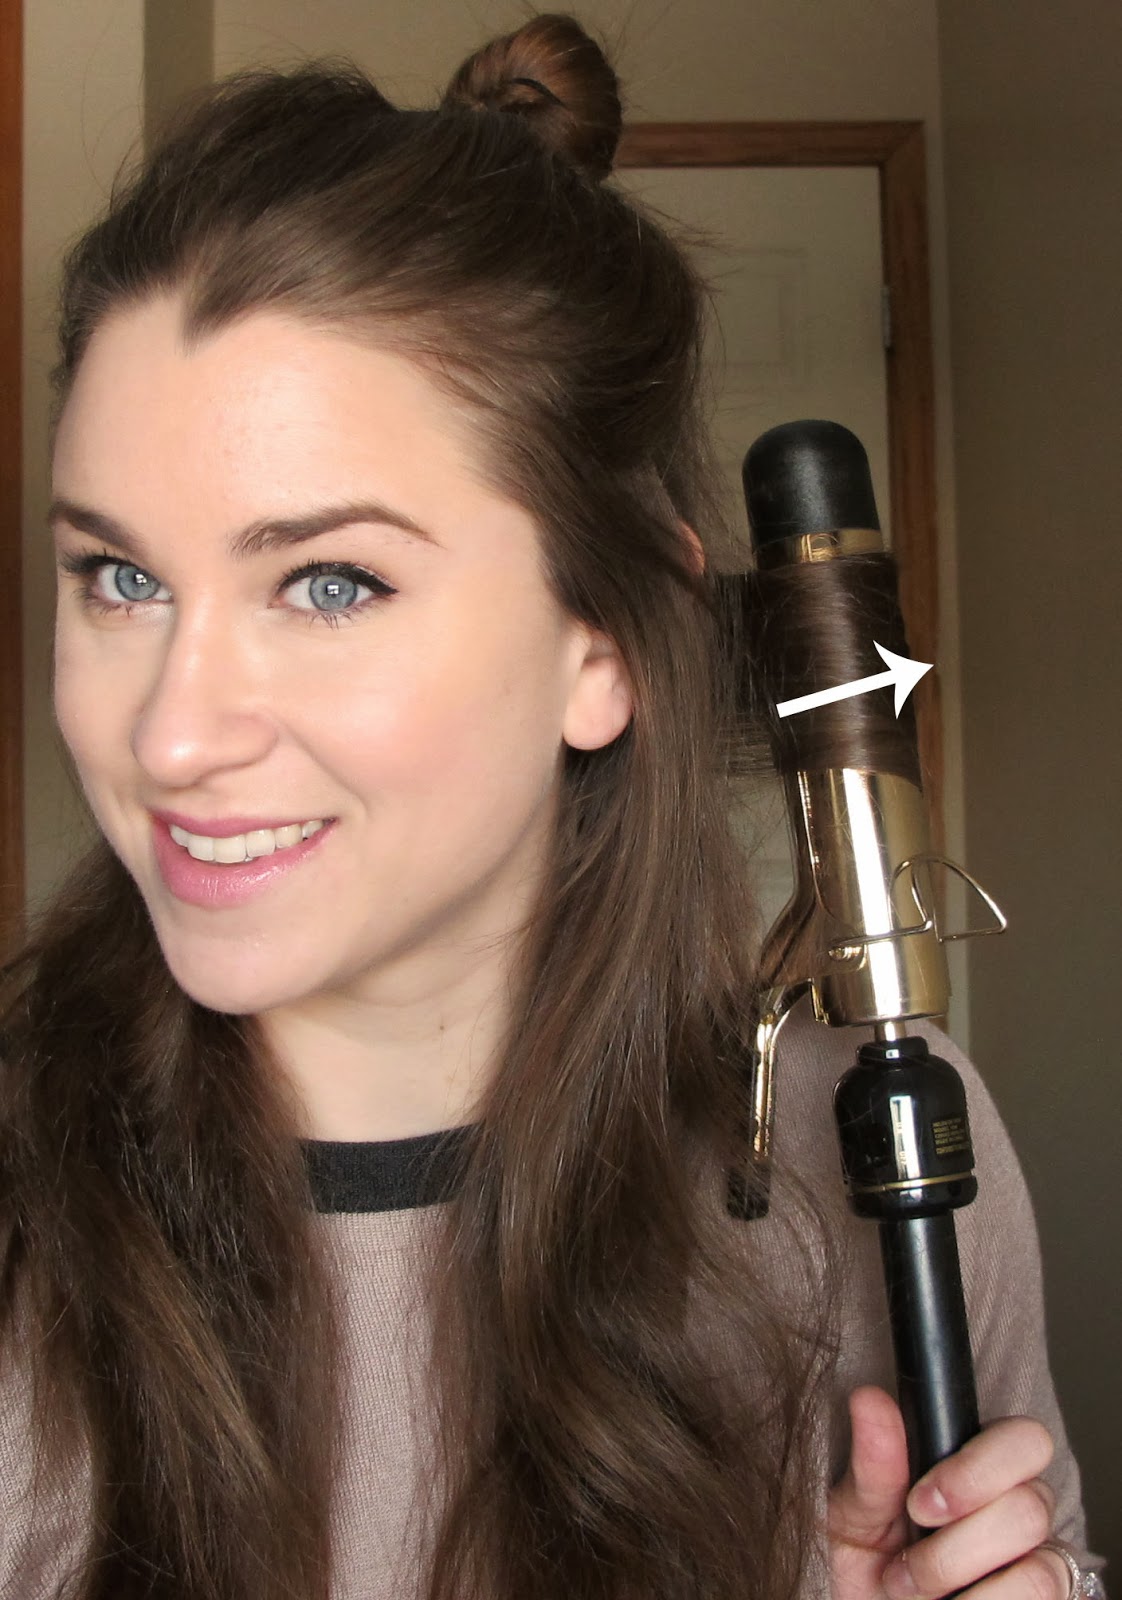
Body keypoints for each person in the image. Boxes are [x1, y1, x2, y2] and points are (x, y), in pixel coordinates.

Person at [0, 12, 1104, 1600]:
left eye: (327, 582)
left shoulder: (878, 1156)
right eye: (118, 576)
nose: (170, 737)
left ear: (605, 645)